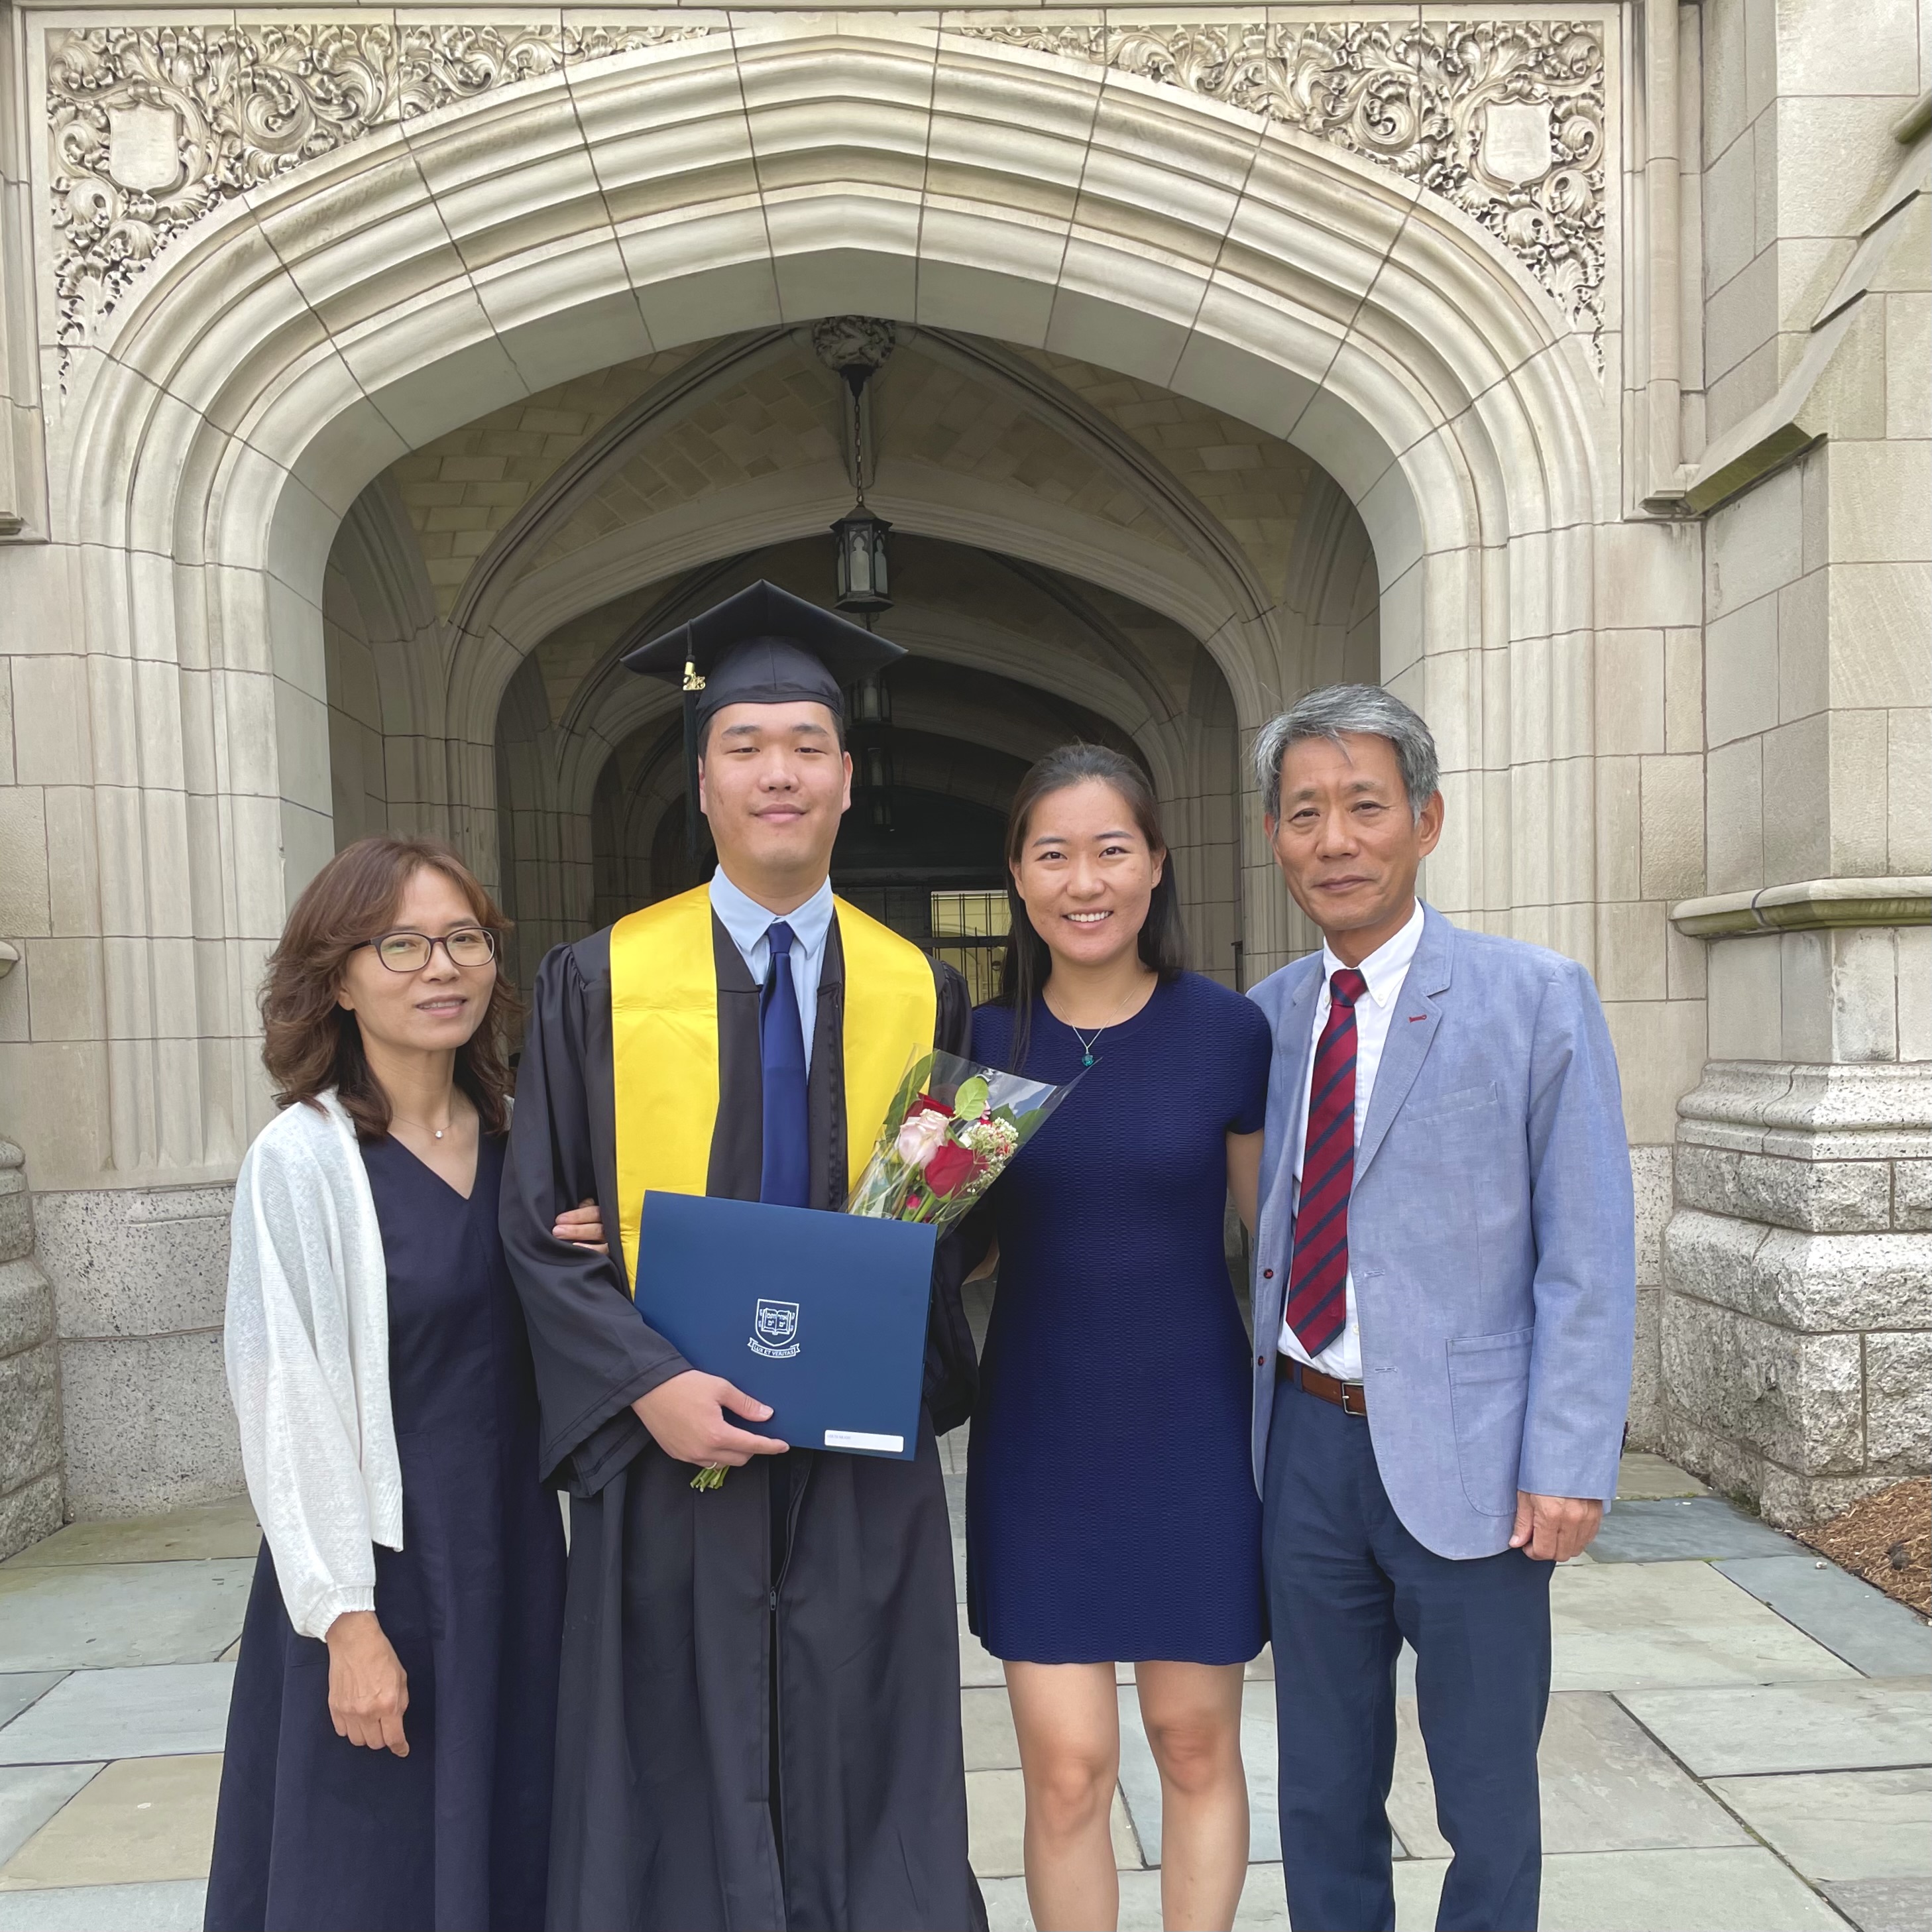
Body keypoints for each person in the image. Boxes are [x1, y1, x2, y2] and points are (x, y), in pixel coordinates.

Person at [498, 580, 986, 1932]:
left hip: (856, 1447)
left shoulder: (919, 986)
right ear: (702, 783)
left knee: (866, 1723)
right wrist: (644, 1382)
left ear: (845, 781)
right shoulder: (595, 979)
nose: (778, 771)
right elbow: (538, 1222)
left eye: (807, 746)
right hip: (666, 1442)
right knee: (669, 1730)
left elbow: (940, 1228)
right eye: (744, 745)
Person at [1247, 684, 1636, 1932]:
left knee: (1484, 1792)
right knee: (1321, 1786)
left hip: (1477, 1459)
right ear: (1274, 839)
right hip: (1303, 1445)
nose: (1335, 840)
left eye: (1365, 807)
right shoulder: (1267, 1019)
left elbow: (1588, 1252)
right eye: (1305, 813)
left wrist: (1568, 1461)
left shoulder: (1535, 998)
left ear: (1428, 820)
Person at [205, 835, 567, 1932]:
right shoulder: (305, 1160)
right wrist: (345, 1623)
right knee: (374, 1865)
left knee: (514, 1836)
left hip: (511, 1557)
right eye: (400, 945)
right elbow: (283, 1401)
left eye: (463, 940)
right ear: (339, 978)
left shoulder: (525, 1144)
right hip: (380, 1568)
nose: (441, 968)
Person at [967, 744, 1271, 1932]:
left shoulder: (1226, 1034)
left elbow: (1278, 1239)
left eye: (1110, 850)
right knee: (1067, 1766)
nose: (1083, 880)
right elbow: (944, 1242)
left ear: (1155, 867)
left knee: (1195, 1745)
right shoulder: (985, 1041)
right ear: (1020, 878)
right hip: (1042, 1436)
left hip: (1189, 1430)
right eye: (1054, 854)